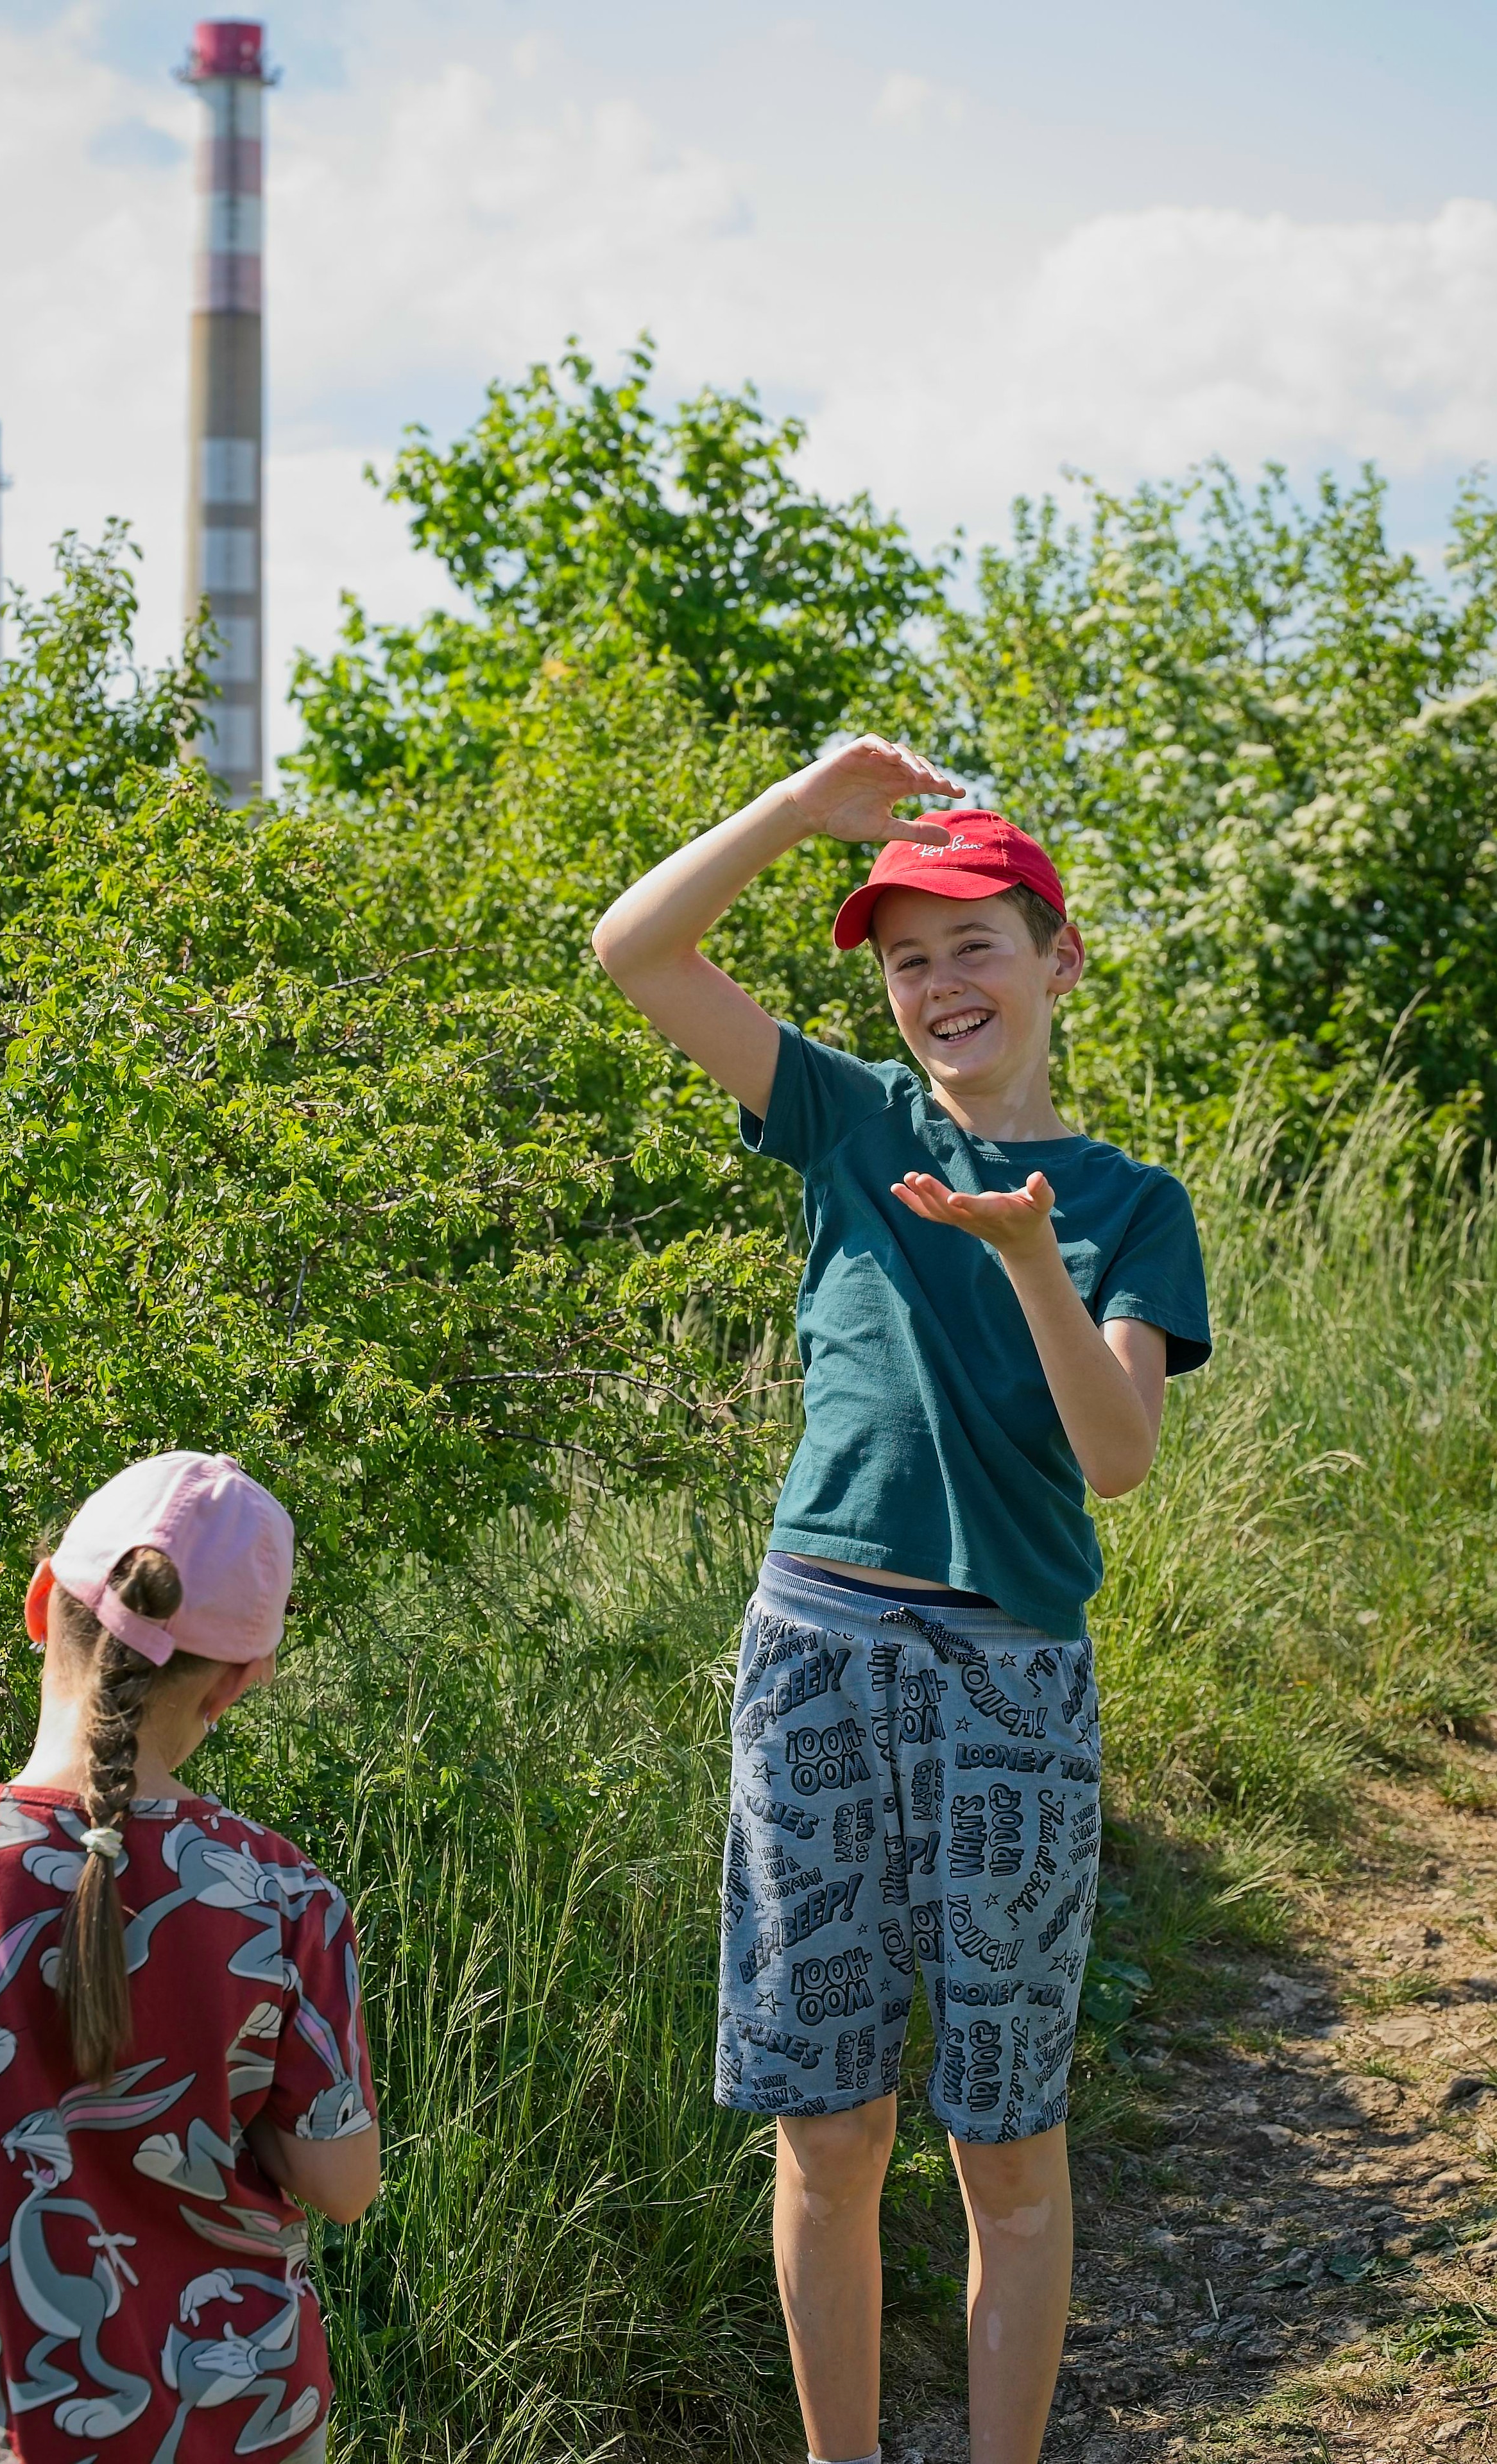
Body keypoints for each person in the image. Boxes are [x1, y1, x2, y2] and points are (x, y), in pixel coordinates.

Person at [592, 738, 1210, 2464]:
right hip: (818, 1644)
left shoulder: (1130, 1206)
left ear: (1057, 960)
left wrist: (1027, 1260)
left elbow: (1117, 1460)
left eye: (975, 946)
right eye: (907, 957)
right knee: (828, 2128)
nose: (940, 985)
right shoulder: (851, 1118)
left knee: (1004, 2142)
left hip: (1010, 1675)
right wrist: (801, 809)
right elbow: (634, 950)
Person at [0, 1450, 379, 2464]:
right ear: (237, 1683)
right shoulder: (283, 1895)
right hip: (259, 2420)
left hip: (42, 2424)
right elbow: (343, 2184)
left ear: (40, 1600)